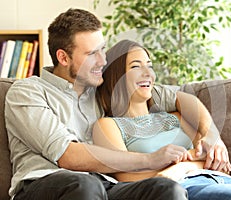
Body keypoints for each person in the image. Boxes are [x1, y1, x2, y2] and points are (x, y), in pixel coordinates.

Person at [5, 8, 191, 200]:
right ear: (63, 58)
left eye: (102, 49)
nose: (103, 61)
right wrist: (149, 160)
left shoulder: (103, 89)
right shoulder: (27, 92)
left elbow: (179, 96)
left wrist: (211, 138)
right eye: (92, 53)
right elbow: (67, 155)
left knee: (165, 188)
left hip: (104, 185)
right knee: (85, 185)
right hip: (44, 184)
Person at [94, 39, 231, 200]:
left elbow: (213, 162)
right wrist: (191, 162)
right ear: (117, 76)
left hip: (226, 180)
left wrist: (187, 164)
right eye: (136, 66)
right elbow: (130, 180)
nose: (148, 73)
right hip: (187, 190)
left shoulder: (175, 116)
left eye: (150, 65)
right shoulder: (109, 125)